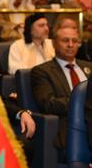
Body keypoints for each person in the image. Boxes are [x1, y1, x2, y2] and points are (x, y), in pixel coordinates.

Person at [31, 26, 92, 159]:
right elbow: (47, 104)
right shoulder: (42, 71)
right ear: (53, 43)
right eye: (65, 40)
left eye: (74, 41)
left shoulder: (89, 67)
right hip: (71, 129)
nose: (70, 45)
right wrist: (82, 103)